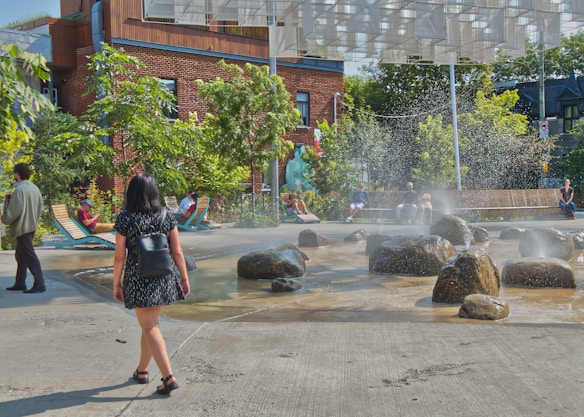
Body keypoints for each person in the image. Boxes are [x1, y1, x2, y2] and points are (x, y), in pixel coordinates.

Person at [113, 174, 190, 395]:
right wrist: (184, 278)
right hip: (164, 277)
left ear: (132, 193)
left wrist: (116, 283)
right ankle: (142, 371)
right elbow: (177, 250)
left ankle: (168, 377)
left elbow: (119, 256)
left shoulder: (125, 218)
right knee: (150, 325)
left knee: (150, 326)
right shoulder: (166, 216)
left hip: (138, 279)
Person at [2, 163, 46, 293]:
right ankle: (20, 282)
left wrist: (5, 218)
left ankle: (40, 283)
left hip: (22, 227)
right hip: (31, 225)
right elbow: (40, 208)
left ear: (17, 174)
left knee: (29, 255)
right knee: (21, 255)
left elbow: (14, 211)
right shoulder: (34, 188)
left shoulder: (20, 190)